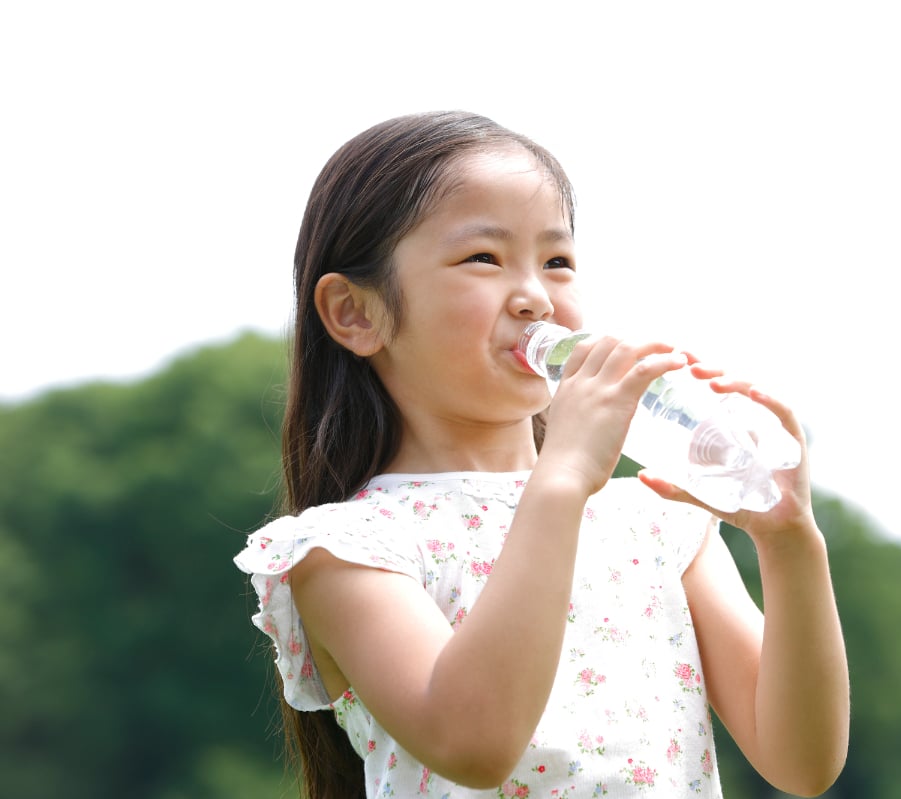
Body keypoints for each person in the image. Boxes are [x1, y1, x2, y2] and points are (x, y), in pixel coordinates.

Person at [234, 110, 849, 799]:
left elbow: (802, 761)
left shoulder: (655, 523)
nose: (534, 297)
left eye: (556, 261)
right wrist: (560, 480)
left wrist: (793, 543)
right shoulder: (346, 549)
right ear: (356, 312)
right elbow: (475, 743)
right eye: (484, 259)